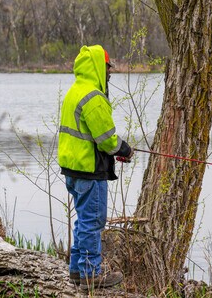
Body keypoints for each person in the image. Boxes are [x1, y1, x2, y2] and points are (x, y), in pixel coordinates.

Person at [58, 45, 134, 291]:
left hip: (73, 169)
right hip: (90, 172)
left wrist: (113, 151)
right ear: (98, 67)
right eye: (108, 67)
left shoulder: (74, 91)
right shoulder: (93, 96)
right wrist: (125, 150)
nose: (110, 72)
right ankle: (91, 276)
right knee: (93, 221)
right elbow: (107, 139)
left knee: (83, 220)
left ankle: (77, 271)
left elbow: (88, 136)